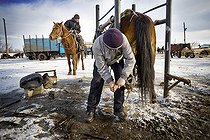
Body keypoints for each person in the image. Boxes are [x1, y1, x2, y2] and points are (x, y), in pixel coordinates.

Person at [86, 28, 136, 123]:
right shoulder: (97, 45)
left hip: (117, 60)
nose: (116, 49)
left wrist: (123, 77)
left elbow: (131, 59)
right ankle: (90, 109)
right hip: (103, 61)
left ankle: (118, 109)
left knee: (120, 82)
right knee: (97, 81)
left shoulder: (123, 39)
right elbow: (101, 67)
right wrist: (109, 81)